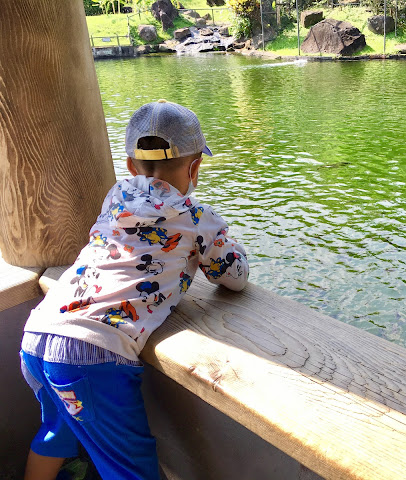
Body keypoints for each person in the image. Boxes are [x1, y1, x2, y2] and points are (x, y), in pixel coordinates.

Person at [19, 100, 250, 480]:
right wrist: (226, 244)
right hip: (91, 354)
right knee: (130, 469)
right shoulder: (196, 218)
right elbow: (235, 277)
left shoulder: (115, 197)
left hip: (39, 333)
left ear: (130, 167)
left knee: (56, 431)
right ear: (195, 168)